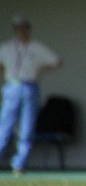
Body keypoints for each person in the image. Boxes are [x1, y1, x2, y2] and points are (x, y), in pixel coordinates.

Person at [0, 15, 62, 176]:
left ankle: (19, 164)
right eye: (19, 28)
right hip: (11, 86)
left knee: (27, 127)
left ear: (29, 29)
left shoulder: (36, 47)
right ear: (14, 30)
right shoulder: (6, 47)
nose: (22, 31)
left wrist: (39, 71)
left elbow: (56, 61)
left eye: (25, 27)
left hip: (29, 85)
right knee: (5, 125)